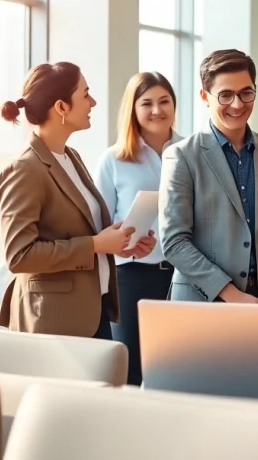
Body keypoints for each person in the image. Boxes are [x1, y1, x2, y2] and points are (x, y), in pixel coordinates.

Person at [0, 62, 152, 338]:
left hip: (92, 309)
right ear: (61, 107)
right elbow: (19, 255)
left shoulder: (71, 157)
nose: (93, 102)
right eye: (85, 94)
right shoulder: (24, 168)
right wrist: (94, 244)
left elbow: (81, 231)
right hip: (54, 321)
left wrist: (117, 245)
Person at [158, 49, 258, 305]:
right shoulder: (181, 156)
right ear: (204, 96)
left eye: (246, 93)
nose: (237, 105)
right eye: (225, 95)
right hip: (201, 306)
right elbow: (174, 241)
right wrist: (230, 293)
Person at [95, 72, 182, 385]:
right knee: (129, 369)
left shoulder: (193, 152)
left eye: (164, 101)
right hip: (131, 277)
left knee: (176, 369)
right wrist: (123, 240)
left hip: (183, 276)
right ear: (133, 109)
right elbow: (99, 223)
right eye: (147, 103)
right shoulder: (114, 159)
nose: (157, 110)